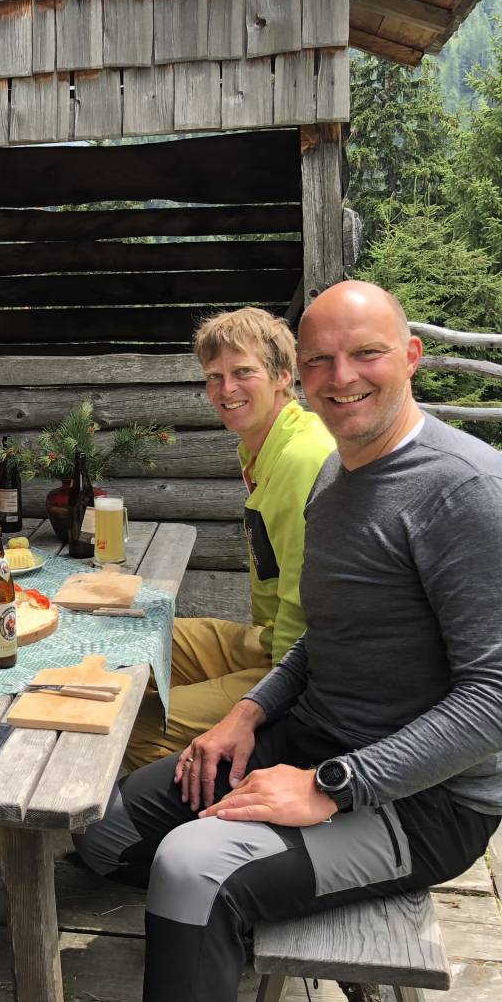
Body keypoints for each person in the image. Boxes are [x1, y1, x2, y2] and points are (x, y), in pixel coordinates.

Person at [75, 282, 502, 1002]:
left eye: (366, 354)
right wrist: (249, 713)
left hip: (426, 804)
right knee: (108, 830)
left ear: (411, 357)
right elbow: (323, 636)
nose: (342, 376)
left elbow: (499, 705)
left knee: (194, 867)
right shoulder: (336, 477)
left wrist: (329, 785)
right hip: (317, 737)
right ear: (304, 372)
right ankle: (253, 923)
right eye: (322, 359)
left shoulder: (472, 493)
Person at [125, 307, 335, 773]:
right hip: (269, 640)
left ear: (284, 375)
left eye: (243, 373)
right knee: (138, 634)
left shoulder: (303, 457)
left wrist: (264, 701)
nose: (226, 390)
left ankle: (162, 825)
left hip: (298, 667)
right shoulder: (262, 445)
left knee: (133, 725)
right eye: (214, 377)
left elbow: (309, 607)